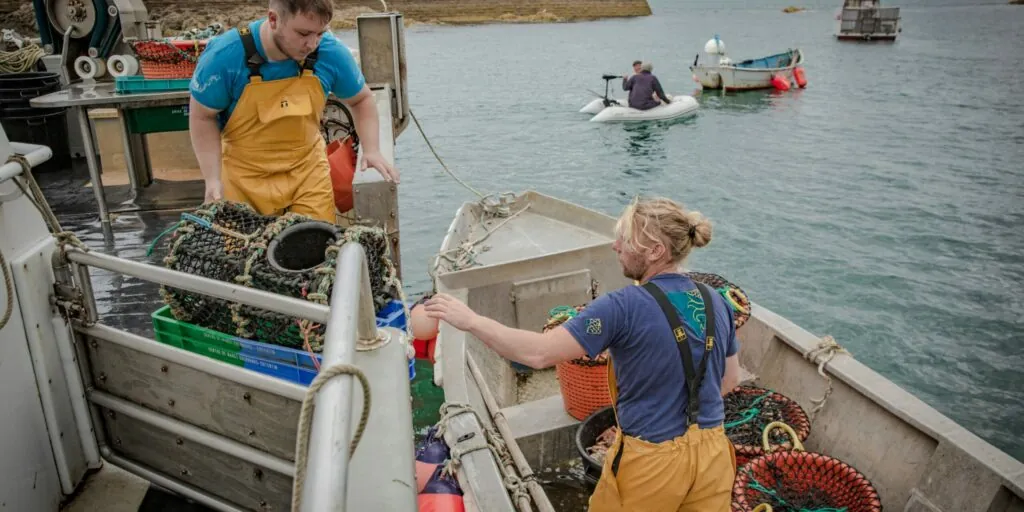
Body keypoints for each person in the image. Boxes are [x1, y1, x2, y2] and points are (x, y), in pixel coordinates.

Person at [423, 196, 741, 512]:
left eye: (625, 240)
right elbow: (729, 380)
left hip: (652, 464)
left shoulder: (621, 307)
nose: (616, 246)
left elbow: (538, 354)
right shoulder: (716, 301)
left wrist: (472, 321)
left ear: (656, 251)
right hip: (713, 456)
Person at [188, 0, 399, 223]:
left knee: (315, 242)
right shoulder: (224, 56)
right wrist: (212, 180)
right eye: (303, 33)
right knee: (239, 242)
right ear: (273, 19)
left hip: (307, 174)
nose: (312, 44)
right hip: (242, 178)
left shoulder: (330, 52)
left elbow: (362, 100)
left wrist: (372, 149)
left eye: (320, 33)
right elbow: (203, 116)